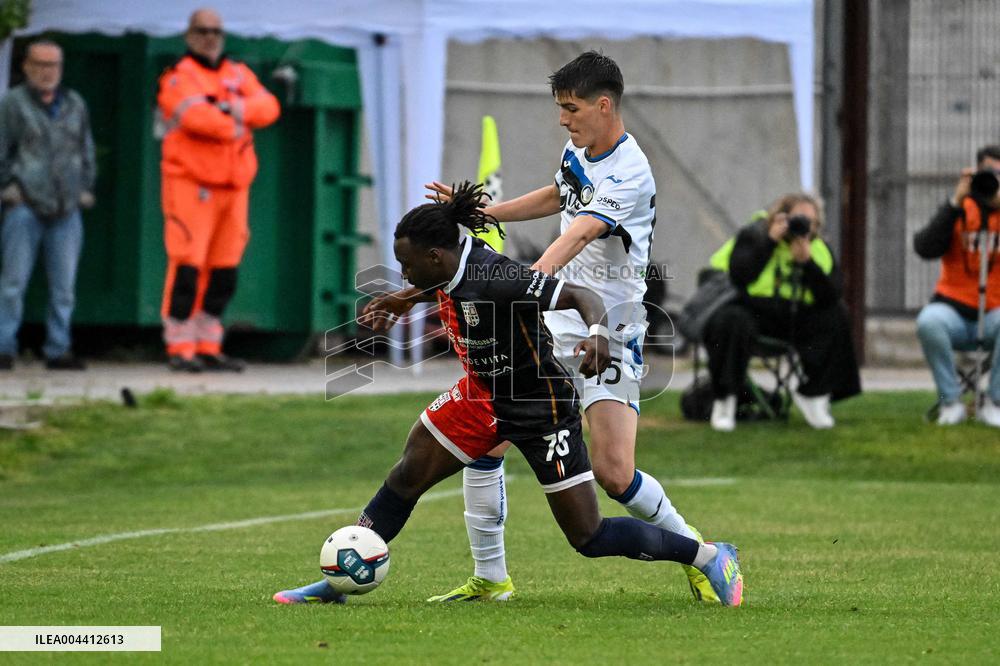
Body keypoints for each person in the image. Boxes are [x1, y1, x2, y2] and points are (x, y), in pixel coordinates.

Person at [273, 181, 744, 607]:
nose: (402, 271)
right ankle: (341, 579)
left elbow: (583, 297)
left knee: (589, 536)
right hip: (480, 396)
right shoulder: (449, 266)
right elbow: (443, 284)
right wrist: (405, 297)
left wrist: (598, 335)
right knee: (407, 473)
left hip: (542, 407)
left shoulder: (498, 276)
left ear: (436, 256)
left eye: (406, 264)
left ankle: (707, 556)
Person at [383, 52, 715, 603]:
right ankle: (490, 577)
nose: (563, 119)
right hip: (552, 324)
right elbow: (559, 196)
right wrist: (488, 214)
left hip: (608, 326)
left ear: (603, 105)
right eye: (561, 108)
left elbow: (579, 232)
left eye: (571, 108)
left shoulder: (630, 173)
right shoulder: (580, 150)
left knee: (614, 473)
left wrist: (525, 281)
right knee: (487, 431)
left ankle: (698, 551)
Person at [155, 8, 280, 372]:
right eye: (202, 30)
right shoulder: (179, 77)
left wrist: (228, 108)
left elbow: (269, 107)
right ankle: (180, 346)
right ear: (189, 35)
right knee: (188, 266)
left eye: (215, 31)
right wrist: (237, 119)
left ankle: (207, 343)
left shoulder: (238, 73)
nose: (210, 37)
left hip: (234, 185)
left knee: (225, 269)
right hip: (190, 183)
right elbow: (196, 118)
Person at [703, 193, 861, 432]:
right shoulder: (754, 235)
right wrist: (769, 242)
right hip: (755, 312)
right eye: (797, 219)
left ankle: (814, 394)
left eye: (810, 222)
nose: (802, 226)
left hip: (796, 317)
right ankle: (725, 399)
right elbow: (740, 275)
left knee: (836, 315)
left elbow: (831, 294)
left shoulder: (818, 248)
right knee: (730, 320)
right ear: (780, 216)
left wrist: (806, 263)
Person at [0, 39, 94, 371]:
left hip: (67, 207)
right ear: (26, 67)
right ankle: (4, 346)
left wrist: (85, 187)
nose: (46, 72)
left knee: (64, 287)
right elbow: (3, 150)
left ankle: (58, 349)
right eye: (39, 64)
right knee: (13, 282)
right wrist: (8, 189)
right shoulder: (13, 103)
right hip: (25, 205)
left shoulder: (74, 103)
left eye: (53, 65)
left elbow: (86, 150)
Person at [914, 145, 1000, 427]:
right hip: (954, 310)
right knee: (928, 321)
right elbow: (925, 247)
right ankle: (951, 402)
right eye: (989, 173)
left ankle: (994, 401)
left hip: (994, 313)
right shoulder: (961, 208)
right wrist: (955, 202)